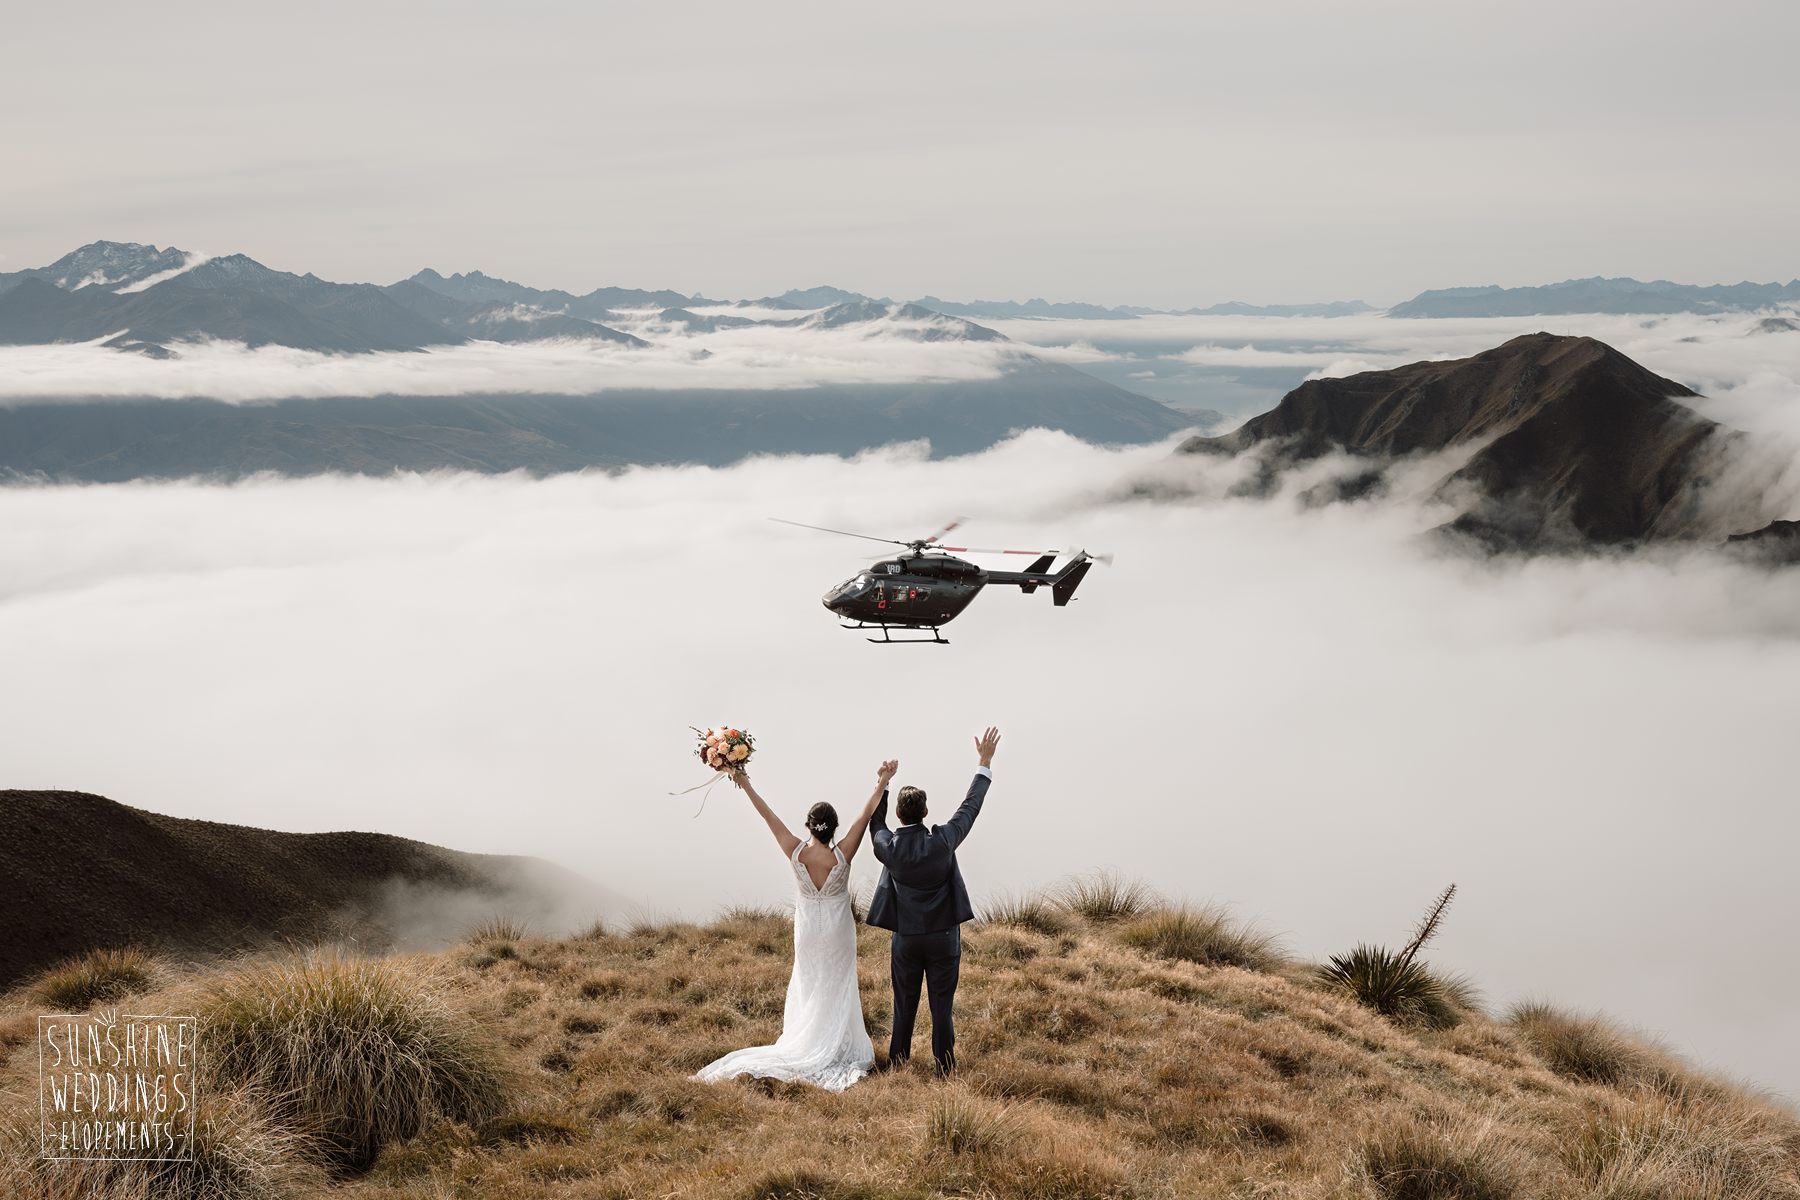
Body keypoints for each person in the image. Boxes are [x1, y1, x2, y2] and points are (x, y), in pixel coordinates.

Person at [690, 759, 895, 1092]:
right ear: (833, 827)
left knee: (809, 982)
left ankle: (807, 1038)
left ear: (809, 826)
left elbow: (767, 815)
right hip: (839, 932)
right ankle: (834, 1042)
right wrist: (883, 780)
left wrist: (743, 781)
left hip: (808, 931)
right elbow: (865, 815)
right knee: (838, 984)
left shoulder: (796, 852)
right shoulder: (843, 854)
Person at [866, 726, 1000, 1075]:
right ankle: (944, 1067)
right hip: (943, 937)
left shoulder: (889, 848)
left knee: (903, 1004)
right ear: (925, 812)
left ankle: (899, 1064)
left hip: (906, 939)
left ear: (900, 815)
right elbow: (970, 807)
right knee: (942, 1006)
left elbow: (874, 822)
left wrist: (883, 783)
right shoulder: (942, 841)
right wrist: (984, 763)